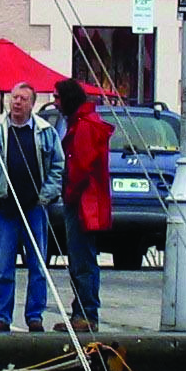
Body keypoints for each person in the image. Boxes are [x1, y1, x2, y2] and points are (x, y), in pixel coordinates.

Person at [0, 81, 65, 333]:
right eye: (14, 97)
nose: (17, 102)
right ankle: (2, 317)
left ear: (32, 104)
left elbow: (58, 166)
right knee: (4, 267)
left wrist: (46, 196)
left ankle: (35, 316)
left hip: (35, 208)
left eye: (23, 98)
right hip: (5, 209)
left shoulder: (46, 132)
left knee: (37, 266)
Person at [52, 77, 114, 328]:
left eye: (57, 97)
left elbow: (81, 167)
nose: (54, 103)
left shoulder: (84, 127)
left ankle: (87, 312)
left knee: (82, 259)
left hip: (82, 203)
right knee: (81, 257)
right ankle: (81, 310)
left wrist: (69, 192)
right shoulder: (83, 123)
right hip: (85, 201)